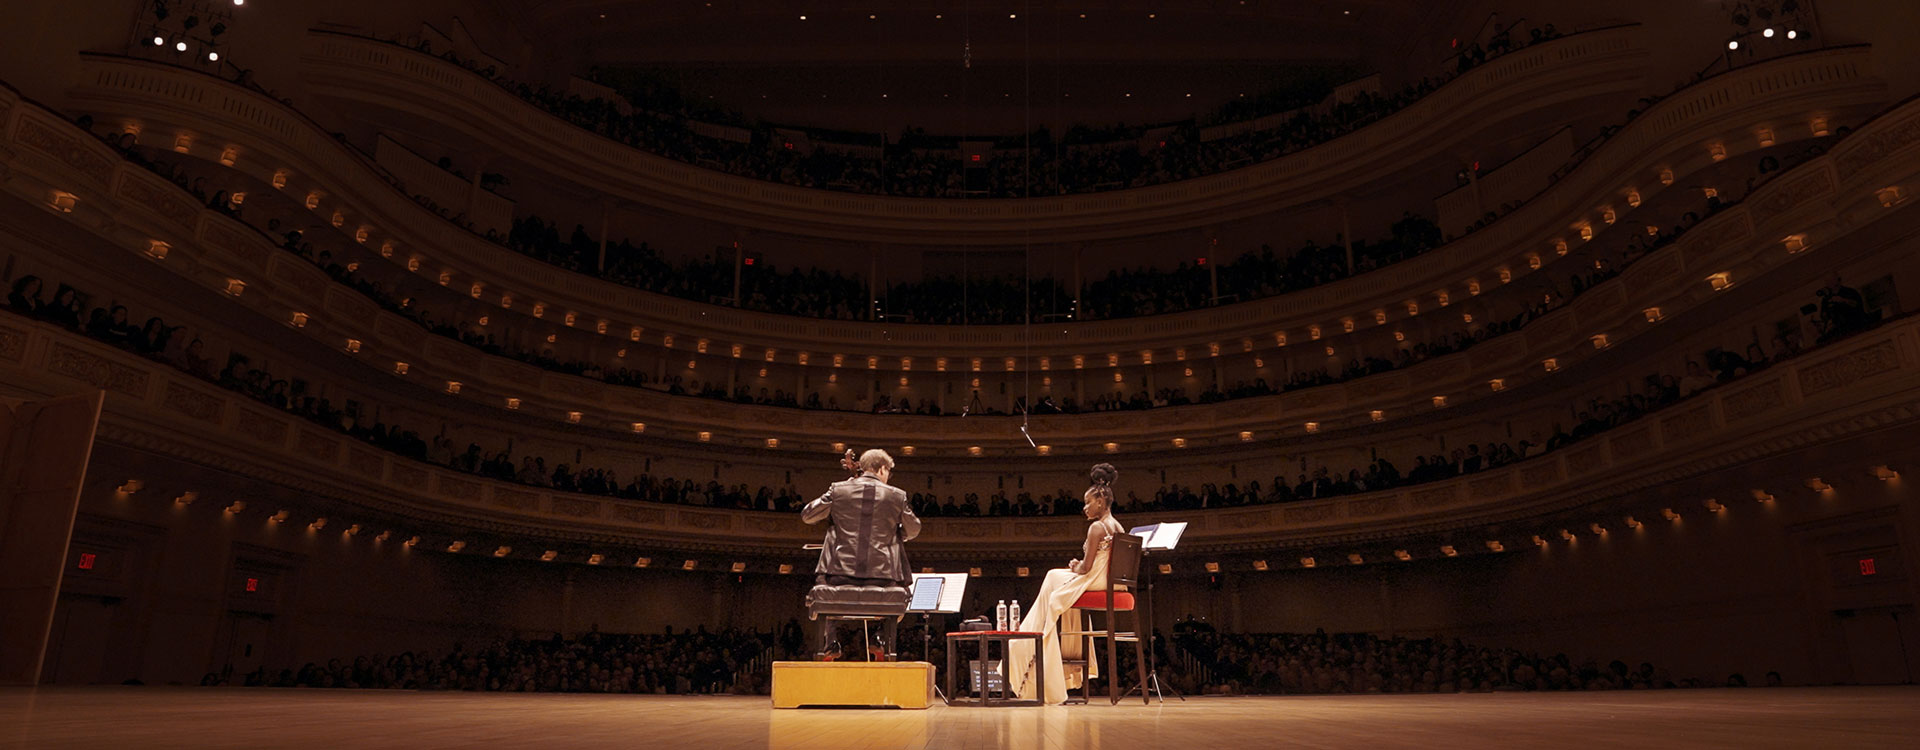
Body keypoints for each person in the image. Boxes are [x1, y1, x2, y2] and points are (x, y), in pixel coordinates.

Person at [1006, 463, 1127, 704]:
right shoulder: (1118, 526)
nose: (1084, 507)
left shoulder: (1097, 527)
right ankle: (1039, 645)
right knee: (1053, 577)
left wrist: (1075, 566)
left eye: (1088, 502)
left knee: (1052, 580)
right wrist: (1078, 567)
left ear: (1101, 502)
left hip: (1095, 579)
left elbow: (1087, 567)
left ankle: (1030, 645)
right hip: (1111, 580)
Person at [802, 448, 919, 658]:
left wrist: (839, 495)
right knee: (899, 562)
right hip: (883, 578)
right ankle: (880, 637)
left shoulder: (838, 489)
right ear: (882, 468)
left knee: (824, 574)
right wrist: (896, 531)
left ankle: (831, 641)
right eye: (888, 472)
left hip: (838, 575)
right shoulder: (897, 496)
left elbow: (808, 516)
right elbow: (914, 529)